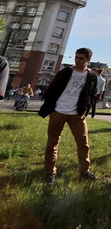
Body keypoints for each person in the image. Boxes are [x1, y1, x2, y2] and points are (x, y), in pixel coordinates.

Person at [37, 48, 98, 185]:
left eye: (81, 58)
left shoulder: (91, 76)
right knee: (52, 144)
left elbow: (92, 95)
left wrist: (85, 110)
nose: (77, 60)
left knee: (83, 143)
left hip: (77, 115)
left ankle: (85, 170)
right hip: (58, 112)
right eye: (76, 57)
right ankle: (49, 173)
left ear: (88, 59)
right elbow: (51, 89)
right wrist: (52, 108)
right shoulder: (65, 72)